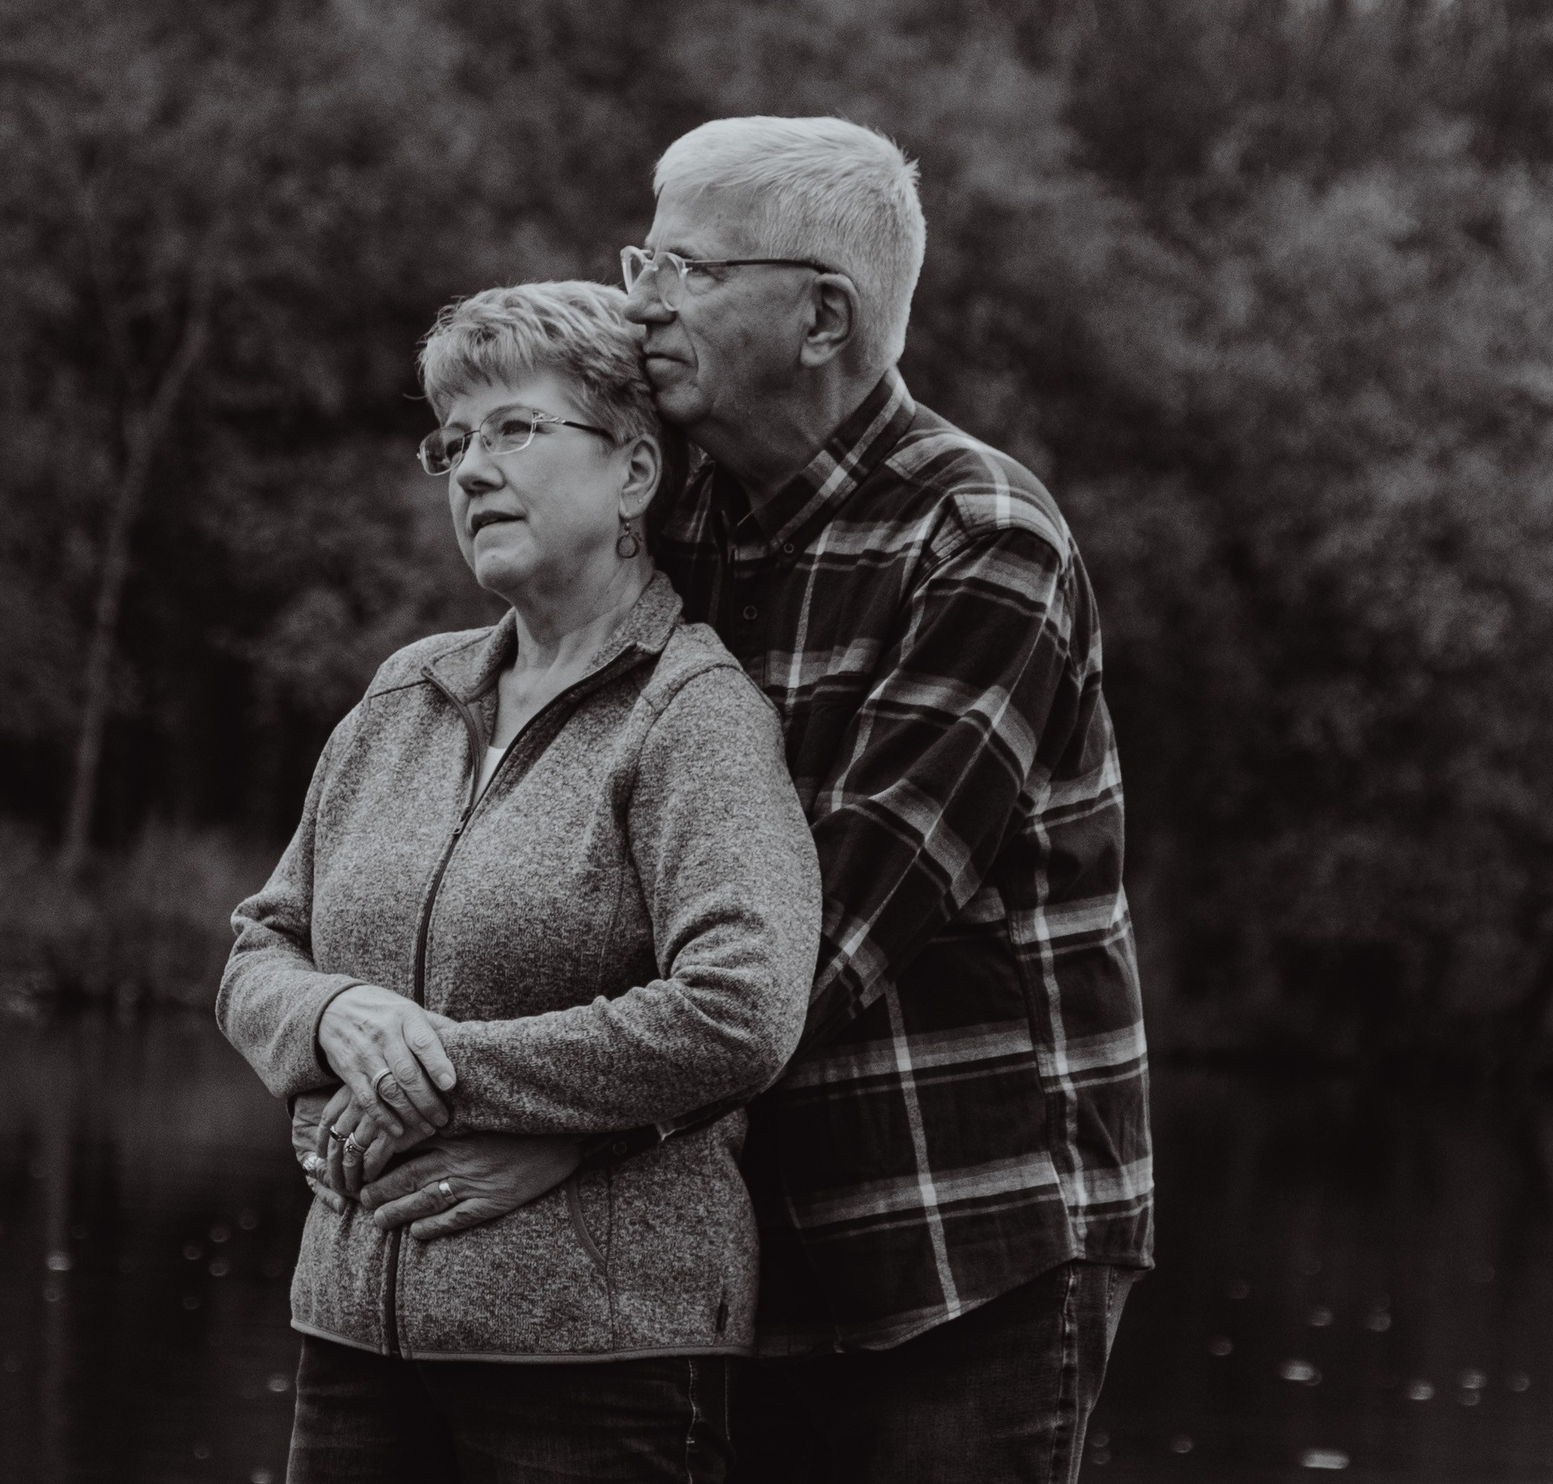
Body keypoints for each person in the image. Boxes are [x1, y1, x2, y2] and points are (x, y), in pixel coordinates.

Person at [351, 119, 1152, 1483]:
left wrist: (557, 1119)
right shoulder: (671, 509)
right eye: (639, 255)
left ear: (820, 314)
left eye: (684, 267)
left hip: (956, 1231)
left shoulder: (981, 544)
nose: (641, 296)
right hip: (718, 1228)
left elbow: (823, 931)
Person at [216, 280, 823, 1483]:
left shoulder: (691, 714)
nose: (469, 469)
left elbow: (743, 1006)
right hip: (348, 1333)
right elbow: (258, 948)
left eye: (513, 430)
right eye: (453, 440)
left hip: (595, 1368)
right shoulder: (404, 694)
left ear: (634, 473)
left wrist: (440, 1074)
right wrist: (337, 1016)